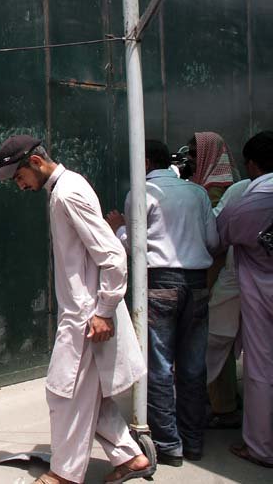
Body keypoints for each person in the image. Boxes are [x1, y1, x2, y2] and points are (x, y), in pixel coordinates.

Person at [0, 136, 151, 484]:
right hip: (83, 311)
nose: (19, 186)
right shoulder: (63, 188)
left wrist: (104, 310)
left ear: (35, 162)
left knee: (62, 393)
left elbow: (112, 255)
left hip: (85, 316)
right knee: (88, 396)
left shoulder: (67, 193)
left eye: (18, 177)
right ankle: (130, 457)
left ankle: (64, 475)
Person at [106, 140, 218, 466]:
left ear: (144, 161)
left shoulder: (141, 194)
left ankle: (169, 444)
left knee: (159, 365)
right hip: (197, 283)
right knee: (194, 367)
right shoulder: (197, 194)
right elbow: (213, 241)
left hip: (159, 285)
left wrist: (119, 229)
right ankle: (194, 441)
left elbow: (134, 247)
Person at [217, 131, 273, 468]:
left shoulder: (247, 201)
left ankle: (261, 448)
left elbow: (217, 237)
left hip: (261, 298)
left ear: (252, 164)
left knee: (261, 369)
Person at [186, 131, 243, 430]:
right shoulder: (215, 186)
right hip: (219, 273)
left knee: (213, 340)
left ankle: (222, 405)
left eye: (195, 154)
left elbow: (213, 238)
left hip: (216, 273)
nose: (191, 160)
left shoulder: (215, 190)